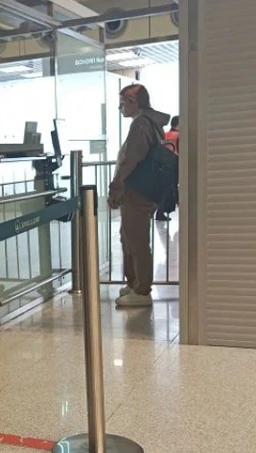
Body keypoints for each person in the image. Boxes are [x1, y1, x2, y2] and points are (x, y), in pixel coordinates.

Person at [108, 84, 171, 308]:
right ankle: (134, 283)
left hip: (137, 191)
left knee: (136, 240)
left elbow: (131, 159)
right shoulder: (149, 123)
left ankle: (142, 290)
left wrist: (116, 186)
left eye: (122, 103)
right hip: (140, 190)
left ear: (134, 102)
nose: (120, 108)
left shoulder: (141, 124)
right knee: (129, 237)